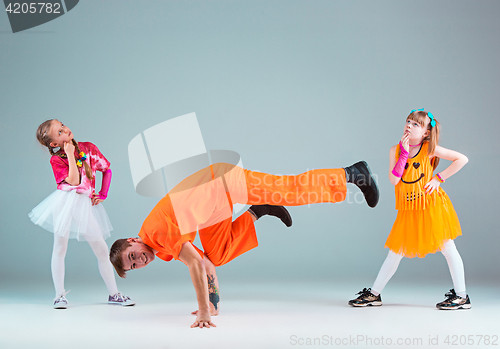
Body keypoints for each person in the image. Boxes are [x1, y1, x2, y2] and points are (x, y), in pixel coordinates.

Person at [110, 160, 380, 328]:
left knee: (291, 190)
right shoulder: (159, 247)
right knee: (216, 254)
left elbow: (193, 264)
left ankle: (351, 173)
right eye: (133, 266)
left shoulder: (154, 233)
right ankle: (258, 210)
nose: (139, 262)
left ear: (132, 241)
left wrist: (203, 311)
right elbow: (204, 264)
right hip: (212, 209)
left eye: (132, 256)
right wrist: (214, 304)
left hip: (222, 183)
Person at [348, 109, 470, 310]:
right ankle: (374, 294)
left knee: (448, 248)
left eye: (416, 124)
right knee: (396, 252)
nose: (409, 126)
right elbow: (394, 179)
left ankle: (462, 296)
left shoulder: (429, 149)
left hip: (430, 205)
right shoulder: (395, 151)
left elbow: (462, 159)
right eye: (408, 121)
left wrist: (439, 178)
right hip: (408, 207)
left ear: (426, 133)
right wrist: (403, 154)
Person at [29, 119, 135, 309]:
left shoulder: (89, 148)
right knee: (60, 248)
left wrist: (103, 193)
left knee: (101, 249)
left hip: (84, 204)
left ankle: (114, 294)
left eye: (63, 126)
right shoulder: (57, 159)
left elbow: (107, 169)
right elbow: (74, 180)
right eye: (60, 132)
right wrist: (70, 154)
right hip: (65, 203)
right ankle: (59, 295)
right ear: (54, 144)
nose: (66, 130)